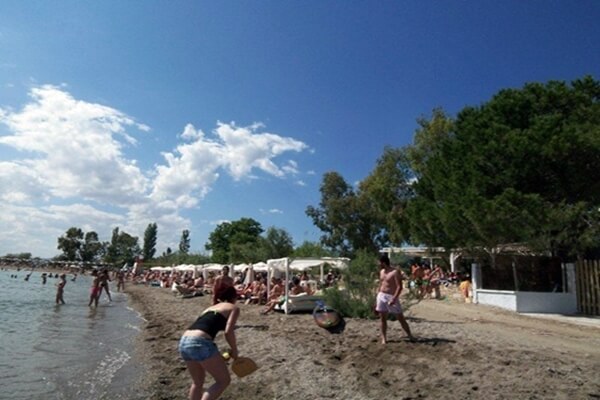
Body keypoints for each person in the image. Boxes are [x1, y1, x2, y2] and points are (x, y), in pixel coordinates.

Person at [178, 286, 240, 400]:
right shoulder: (233, 307)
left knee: (197, 382)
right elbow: (228, 331)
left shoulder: (210, 308)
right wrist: (235, 350)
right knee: (223, 381)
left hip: (184, 341)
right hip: (200, 342)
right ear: (234, 297)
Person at [376, 254, 414, 344]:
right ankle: (384, 338)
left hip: (391, 296)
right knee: (382, 318)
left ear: (383, 263)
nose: (378, 264)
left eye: (379, 263)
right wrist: (377, 296)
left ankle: (410, 335)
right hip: (381, 295)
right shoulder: (381, 272)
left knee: (400, 317)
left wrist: (394, 298)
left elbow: (399, 287)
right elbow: (381, 284)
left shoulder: (394, 272)